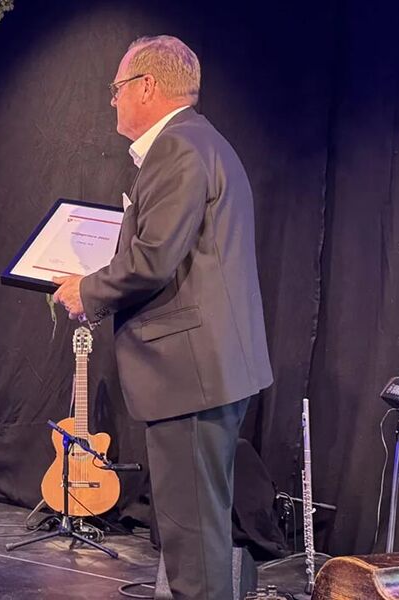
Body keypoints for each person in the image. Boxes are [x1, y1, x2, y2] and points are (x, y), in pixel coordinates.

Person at [53, 35, 273, 600]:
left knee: (192, 547)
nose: (112, 102)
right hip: (205, 372)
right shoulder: (200, 143)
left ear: (147, 87)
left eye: (118, 88)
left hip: (190, 375)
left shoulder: (177, 148)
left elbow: (152, 261)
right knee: (200, 535)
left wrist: (88, 290)